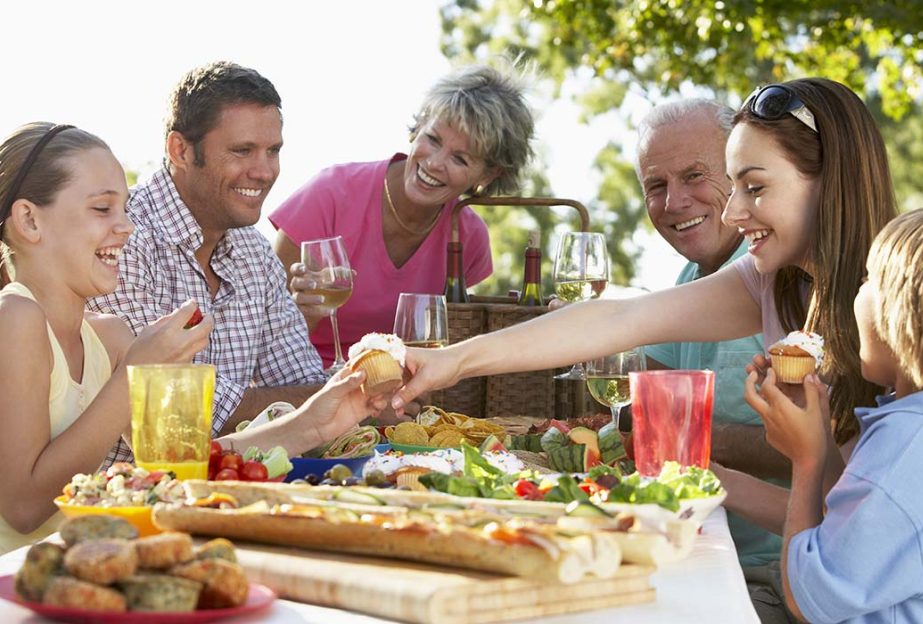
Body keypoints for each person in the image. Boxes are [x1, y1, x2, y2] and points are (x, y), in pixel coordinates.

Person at [390, 77, 897, 621]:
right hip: (811, 578)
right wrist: (450, 362)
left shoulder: (897, 309)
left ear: (828, 182)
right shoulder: (772, 283)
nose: (732, 213)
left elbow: (852, 530)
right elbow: (620, 318)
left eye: (754, 187)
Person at [0, 123, 380, 554]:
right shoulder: (16, 316)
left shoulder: (109, 336)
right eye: (103, 209)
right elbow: (24, 507)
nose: (125, 227)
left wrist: (314, 420)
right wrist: (135, 373)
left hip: (90, 567)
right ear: (30, 220)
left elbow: (187, 465)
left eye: (124, 208)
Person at [744, 204, 923, 622]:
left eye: (869, 280)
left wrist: (807, 460)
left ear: (904, 312)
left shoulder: (908, 450)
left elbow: (808, 599)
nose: (857, 291)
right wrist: (815, 435)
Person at [89, 62, 328, 466]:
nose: (265, 171)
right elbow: (176, 411)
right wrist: (335, 402)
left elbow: (299, 378)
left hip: (227, 494)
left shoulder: (254, 251)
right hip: (122, 503)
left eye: (273, 151)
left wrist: (349, 398)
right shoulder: (121, 238)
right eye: (242, 150)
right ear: (180, 151)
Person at [270, 63, 535, 367]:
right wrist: (304, 313)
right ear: (419, 127)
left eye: (460, 158)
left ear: (488, 175)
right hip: (305, 379)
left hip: (400, 390)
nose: (434, 163)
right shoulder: (330, 194)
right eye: (433, 139)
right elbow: (262, 338)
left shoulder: (468, 236)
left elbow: (447, 343)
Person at [635, 99, 786, 569]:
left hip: (770, 572)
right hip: (690, 547)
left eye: (695, 175)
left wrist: (691, 438)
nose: (674, 201)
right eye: (656, 185)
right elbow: (644, 398)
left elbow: (836, 450)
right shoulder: (689, 277)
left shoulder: (779, 271)